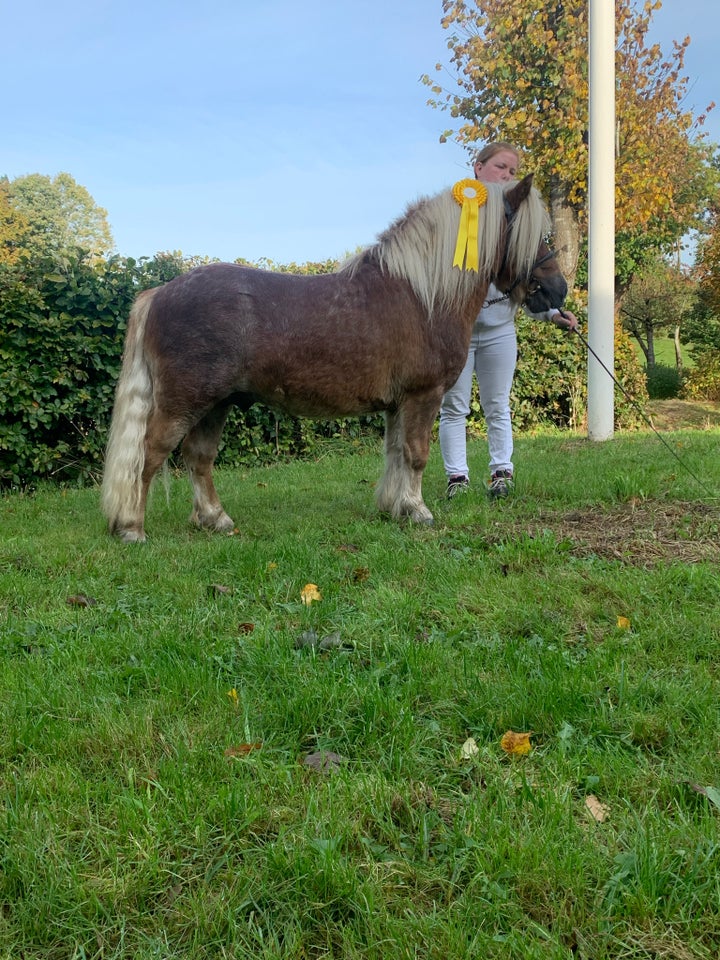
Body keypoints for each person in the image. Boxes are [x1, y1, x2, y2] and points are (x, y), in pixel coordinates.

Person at [439, 142, 579, 500]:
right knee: (454, 407)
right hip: (459, 333)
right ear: (479, 167)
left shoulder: (516, 226)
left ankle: (502, 473)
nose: (507, 175)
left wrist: (551, 313)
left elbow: (522, 286)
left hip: (501, 330)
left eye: (513, 171)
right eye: (501, 167)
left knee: (497, 404)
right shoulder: (453, 213)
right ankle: (457, 479)